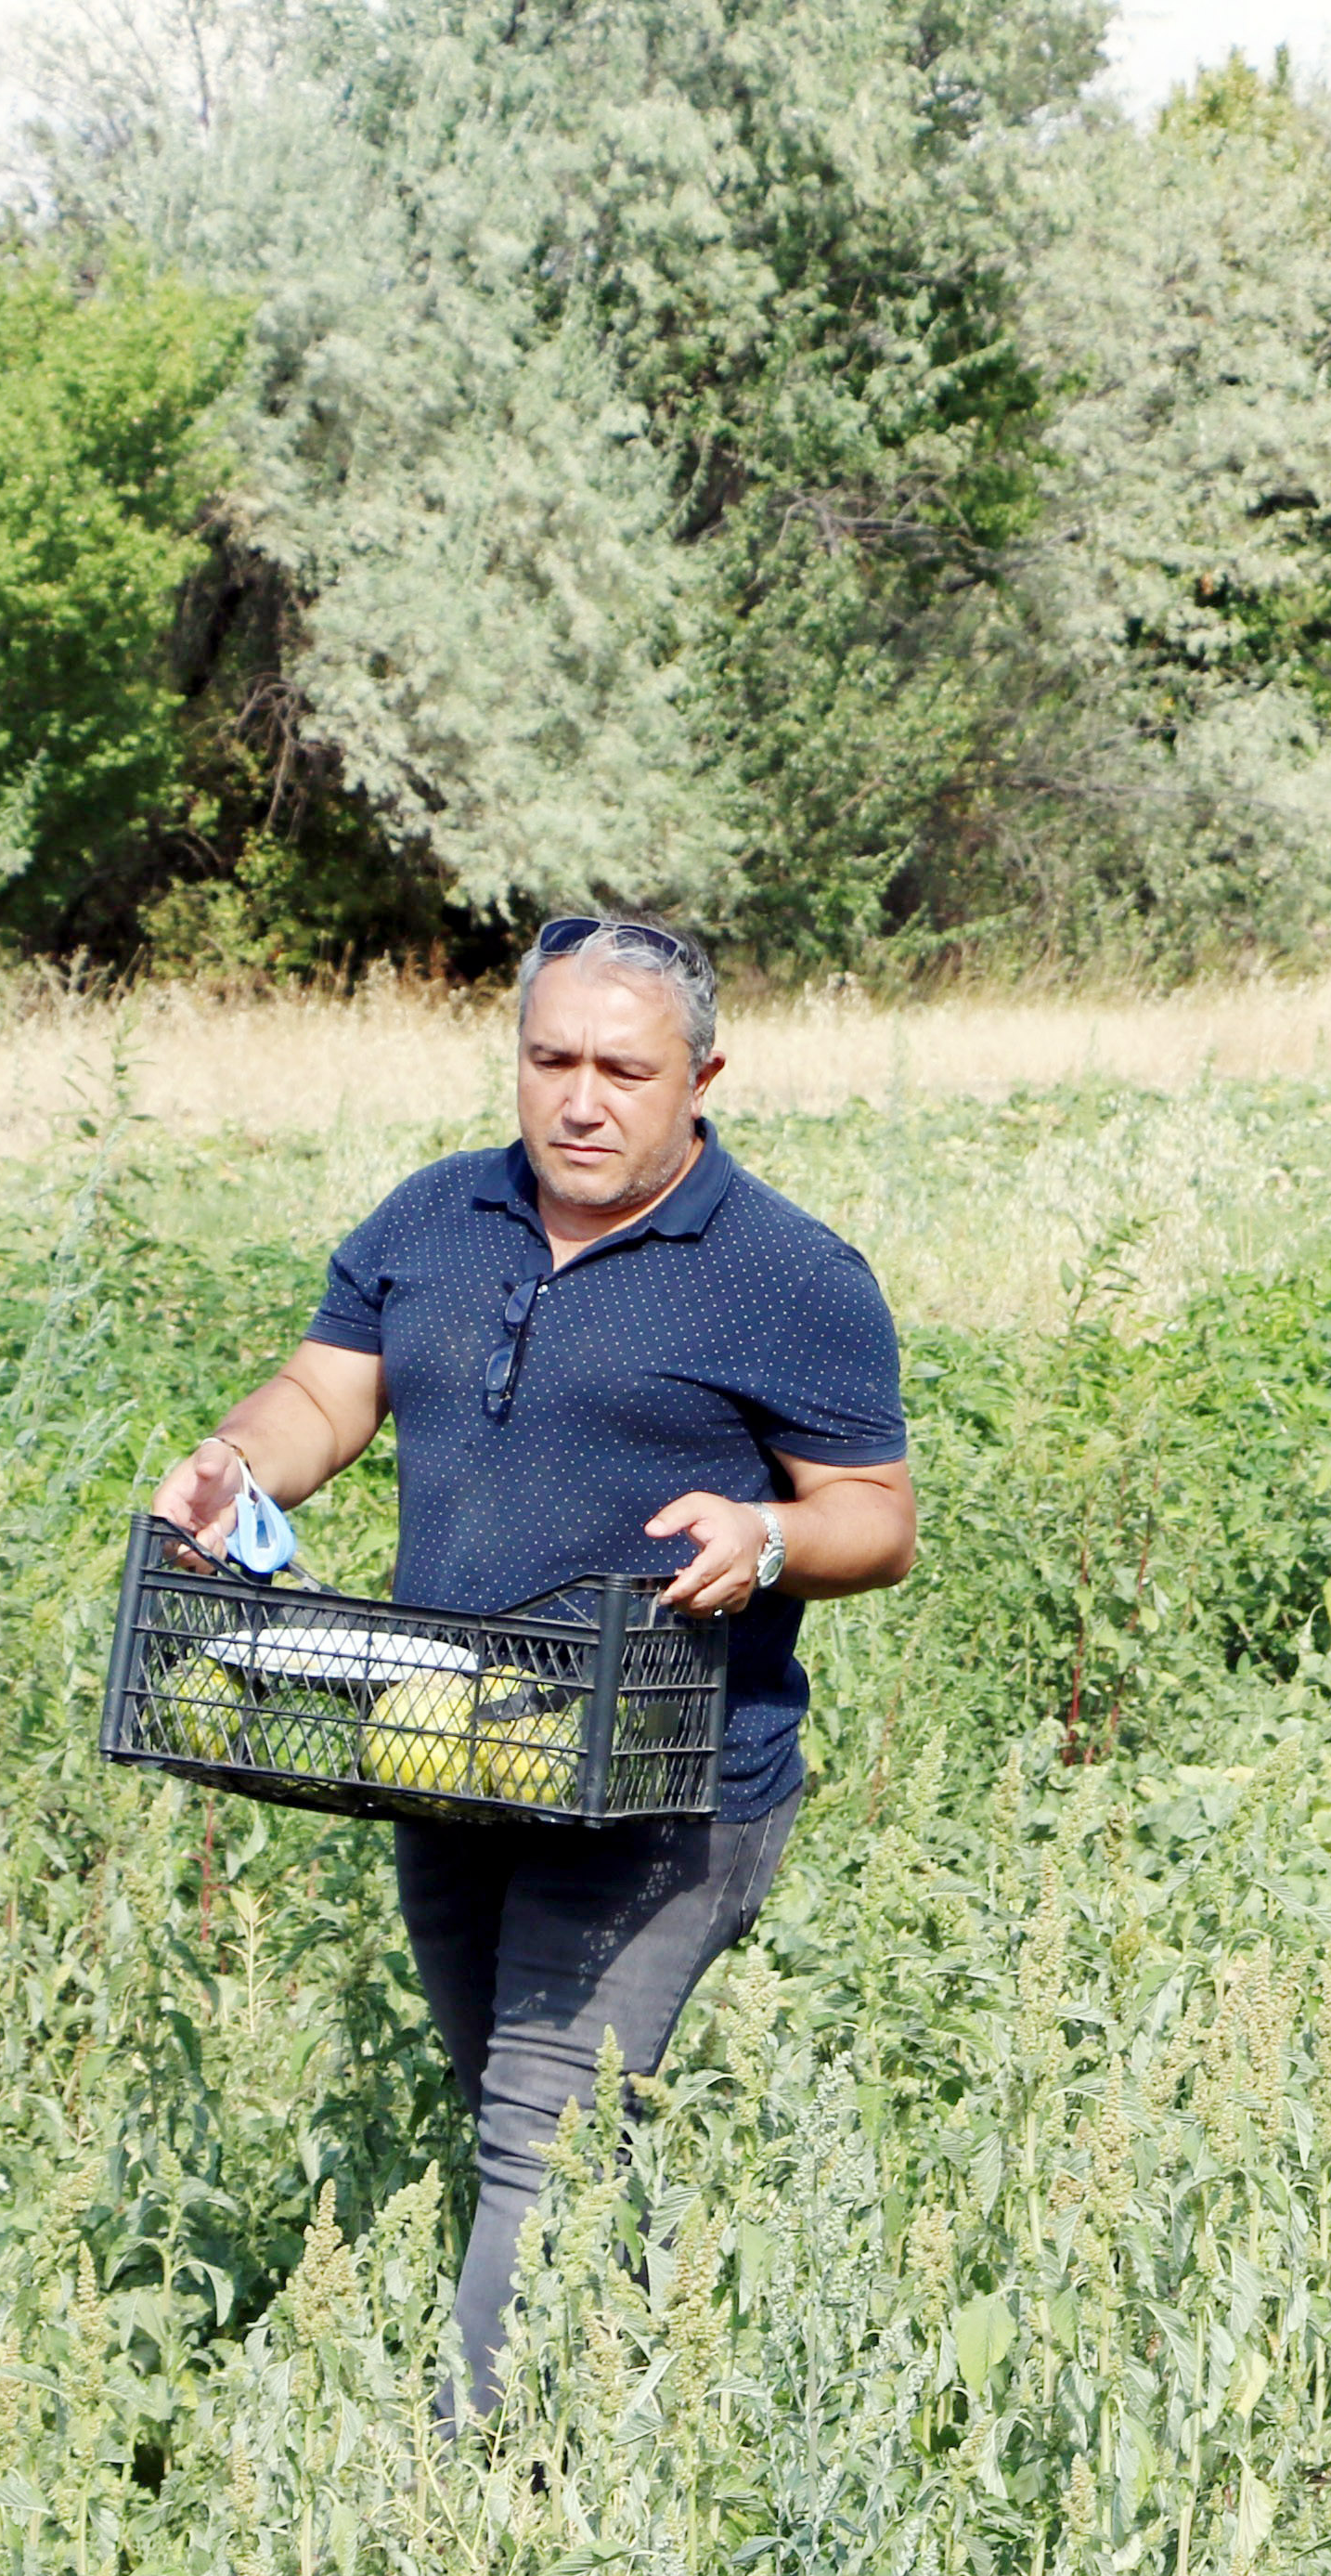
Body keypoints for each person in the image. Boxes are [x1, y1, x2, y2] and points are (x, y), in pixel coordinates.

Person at [149, 913, 914, 2409]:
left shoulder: (789, 1276)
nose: (580, 1099)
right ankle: (646, 2391)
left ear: (702, 1075)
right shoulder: (435, 1219)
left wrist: (767, 1535)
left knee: (540, 2129)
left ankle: (476, 2491)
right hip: (451, 1746)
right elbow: (325, 1391)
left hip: (671, 1778)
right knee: (521, 2114)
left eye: (623, 1070)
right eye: (549, 1058)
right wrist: (236, 1468)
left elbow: (876, 1520)